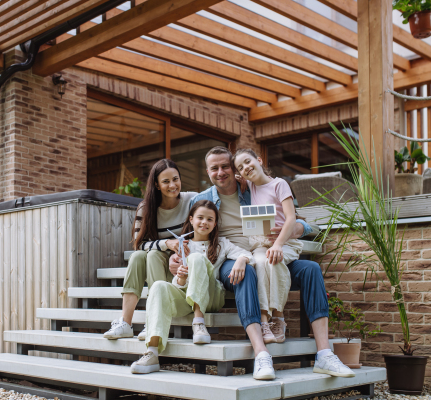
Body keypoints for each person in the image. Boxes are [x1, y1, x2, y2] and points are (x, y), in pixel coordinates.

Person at [177, 146, 355, 378]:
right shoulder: (203, 199)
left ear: (235, 170)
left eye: (225, 167)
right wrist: (178, 257)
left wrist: (294, 231)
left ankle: (324, 353)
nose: (220, 172)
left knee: (311, 269)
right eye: (214, 168)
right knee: (246, 272)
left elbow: (303, 222)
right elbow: (188, 233)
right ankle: (261, 353)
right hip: (231, 258)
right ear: (208, 171)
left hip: (267, 251)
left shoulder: (254, 188)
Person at [130, 201, 277, 379]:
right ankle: (152, 352)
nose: (204, 222)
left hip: (213, 296)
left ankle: (199, 323)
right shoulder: (181, 246)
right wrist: (182, 278)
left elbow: (248, 255)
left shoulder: (222, 244)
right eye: (200, 218)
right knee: (158, 286)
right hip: (188, 299)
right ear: (191, 219)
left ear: (215, 224)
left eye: (210, 219)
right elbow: (179, 285)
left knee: (197, 259)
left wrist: (241, 260)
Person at [103, 159, 197, 340]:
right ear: (156, 184)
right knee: (138, 256)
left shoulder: (191, 200)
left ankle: (154, 319)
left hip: (181, 269)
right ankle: (126, 322)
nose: (172, 185)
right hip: (159, 266)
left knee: (153, 253)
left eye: (175, 179)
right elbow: (139, 243)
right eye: (166, 181)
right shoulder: (146, 207)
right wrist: (166, 244)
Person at [233, 148, 303, 344]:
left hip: (285, 242)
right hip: (261, 243)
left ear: (260, 160)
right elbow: (234, 177)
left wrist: (278, 244)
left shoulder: (279, 184)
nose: (246, 168)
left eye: (248, 162)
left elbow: (291, 218)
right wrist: (238, 175)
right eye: (241, 167)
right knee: (261, 260)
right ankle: (264, 320)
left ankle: (278, 318)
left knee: (273, 260)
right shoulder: (250, 186)